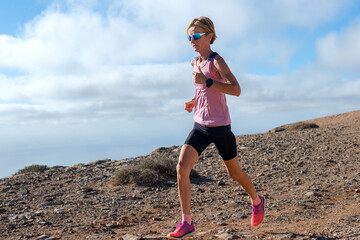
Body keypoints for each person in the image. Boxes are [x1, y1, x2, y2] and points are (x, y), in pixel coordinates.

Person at [167, 16, 265, 239]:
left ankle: (257, 200)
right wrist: (194, 99)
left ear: (210, 36)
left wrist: (208, 81)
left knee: (234, 173)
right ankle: (187, 222)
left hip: (220, 127)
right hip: (200, 125)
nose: (192, 40)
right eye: (189, 36)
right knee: (182, 168)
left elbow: (236, 89)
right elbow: (203, 89)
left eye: (197, 35)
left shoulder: (216, 61)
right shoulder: (195, 62)